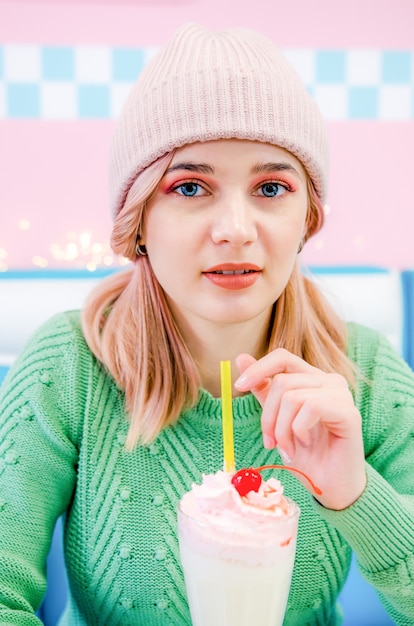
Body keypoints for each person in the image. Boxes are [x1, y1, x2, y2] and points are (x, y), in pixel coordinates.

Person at [0, 22, 413, 626]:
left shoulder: (368, 375)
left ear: (308, 218)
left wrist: (356, 495)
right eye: (190, 187)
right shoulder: (67, 366)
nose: (236, 229)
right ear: (138, 219)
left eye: (271, 186)